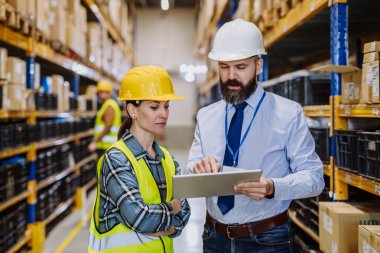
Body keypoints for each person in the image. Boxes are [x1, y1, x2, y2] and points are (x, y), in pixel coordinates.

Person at [185, 18, 324, 253]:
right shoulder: (206, 116)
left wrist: (273, 187)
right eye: (224, 67)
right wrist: (198, 168)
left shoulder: (288, 114)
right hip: (214, 237)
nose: (231, 76)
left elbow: (314, 178)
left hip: (266, 239)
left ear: (258, 66)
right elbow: (189, 170)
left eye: (240, 67)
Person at [88, 66, 191, 253]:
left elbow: (185, 212)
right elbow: (140, 217)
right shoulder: (117, 159)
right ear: (132, 111)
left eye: (166, 106)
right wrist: (172, 208)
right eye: (154, 107)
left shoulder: (168, 159)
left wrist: (166, 223)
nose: (164, 114)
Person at [88, 80, 122, 157]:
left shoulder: (109, 105)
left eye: (105, 92)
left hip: (107, 146)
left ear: (110, 93)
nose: (102, 95)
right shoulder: (107, 104)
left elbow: (108, 125)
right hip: (106, 146)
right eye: (100, 92)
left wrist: (95, 142)